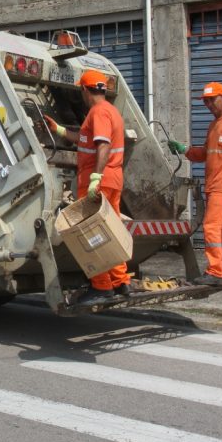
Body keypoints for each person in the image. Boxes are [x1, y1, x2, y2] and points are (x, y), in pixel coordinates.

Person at [45, 68, 131, 304]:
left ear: (84, 89)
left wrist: (95, 177)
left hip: (98, 182)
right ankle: (120, 282)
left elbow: (102, 145)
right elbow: (85, 139)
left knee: (93, 234)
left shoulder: (99, 113)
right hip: (112, 179)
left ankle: (102, 287)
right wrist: (59, 130)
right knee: (110, 231)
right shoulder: (109, 111)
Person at [168, 81, 222, 287]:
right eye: (205, 102)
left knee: (213, 227)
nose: (208, 105)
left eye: (211, 100)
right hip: (215, 186)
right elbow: (205, 154)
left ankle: (215, 272)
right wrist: (184, 149)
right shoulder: (214, 125)